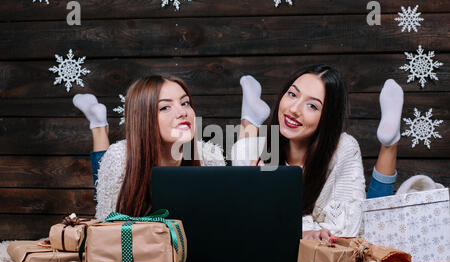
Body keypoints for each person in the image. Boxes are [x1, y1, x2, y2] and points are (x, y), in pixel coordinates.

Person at [231, 64, 405, 240]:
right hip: (258, 150)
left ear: (327, 118)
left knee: (373, 228)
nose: (293, 110)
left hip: (347, 218)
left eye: (312, 106)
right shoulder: (257, 150)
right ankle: (250, 118)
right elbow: (245, 221)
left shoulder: (344, 148)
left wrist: (290, 221)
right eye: (292, 94)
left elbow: (347, 229)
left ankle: (390, 142)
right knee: (244, 151)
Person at [73, 75, 225, 220]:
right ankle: (98, 127)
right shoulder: (118, 157)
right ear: (144, 118)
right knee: (103, 168)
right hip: (141, 243)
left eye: (185, 103)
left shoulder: (210, 155)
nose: (183, 112)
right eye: (165, 107)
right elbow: (106, 226)